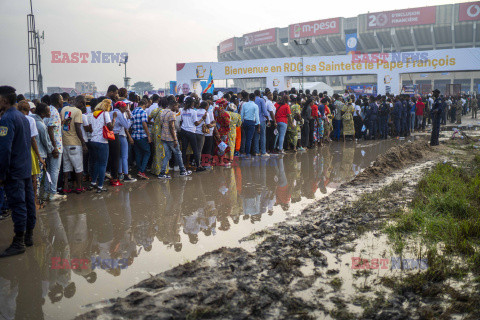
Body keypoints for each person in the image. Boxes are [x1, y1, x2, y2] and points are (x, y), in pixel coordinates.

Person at [0, 86, 36, 257]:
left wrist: (2, 173)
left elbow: (5, 149)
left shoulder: (7, 119)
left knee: (18, 205)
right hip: (25, 168)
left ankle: (19, 241)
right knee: (28, 203)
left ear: (4, 100)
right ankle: (28, 237)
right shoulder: (23, 117)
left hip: (14, 170)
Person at [157, 101, 192, 179]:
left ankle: (162, 173)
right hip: (171, 138)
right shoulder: (172, 113)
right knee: (178, 153)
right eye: (177, 106)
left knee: (167, 155)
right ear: (173, 106)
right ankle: (183, 171)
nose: (178, 108)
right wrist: (175, 139)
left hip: (164, 137)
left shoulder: (162, 112)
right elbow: (172, 127)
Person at [60, 95, 87, 194]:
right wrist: (83, 143)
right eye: (83, 103)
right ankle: (79, 187)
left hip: (65, 142)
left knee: (66, 167)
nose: (84, 105)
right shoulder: (78, 111)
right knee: (78, 167)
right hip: (75, 143)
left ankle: (66, 186)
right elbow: (78, 128)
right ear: (79, 102)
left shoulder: (64, 109)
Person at [88, 99, 115, 192]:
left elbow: (90, 128)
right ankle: (100, 186)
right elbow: (110, 127)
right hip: (102, 141)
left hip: (93, 140)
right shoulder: (105, 114)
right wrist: (114, 119)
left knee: (95, 162)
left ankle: (93, 182)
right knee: (102, 164)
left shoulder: (92, 114)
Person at [44, 93, 66, 201]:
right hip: (55, 145)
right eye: (62, 99)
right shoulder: (54, 112)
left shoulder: (49, 110)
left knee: (49, 170)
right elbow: (50, 129)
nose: (63, 101)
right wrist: (55, 147)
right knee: (54, 170)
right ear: (58, 100)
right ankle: (52, 193)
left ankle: (47, 192)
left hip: (49, 145)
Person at [31, 103, 54, 208]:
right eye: (48, 111)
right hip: (40, 154)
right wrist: (52, 150)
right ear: (43, 113)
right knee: (38, 179)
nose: (50, 112)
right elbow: (46, 141)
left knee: (33, 179)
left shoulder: (32, 120)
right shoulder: (41, 125)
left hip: (32, 153)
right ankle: (36, 202)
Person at [180, 97, 207, 172]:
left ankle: (183, 166)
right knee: (195, 149)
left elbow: (181, 121)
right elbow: (196, 123)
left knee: (184, 149)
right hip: (191, 131)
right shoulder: (193, 112)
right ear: (192, 103)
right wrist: (202, 118)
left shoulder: (183, 110)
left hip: (183, 130)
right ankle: (198, 166)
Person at [111, 101, 134, 184]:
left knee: (119, 156)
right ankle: (126, 175)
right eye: (125, 107)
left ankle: (120, 174)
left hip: (113, 136)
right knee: (124, 156)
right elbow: (127, 126)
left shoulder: (111, 112)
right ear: (120, 107)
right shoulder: (120, 114)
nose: (126, 108)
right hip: (120, 135)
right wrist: (130, 118)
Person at [131, 99, 151, 179]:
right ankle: (142, 171)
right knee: (147, 152)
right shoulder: (143, 112)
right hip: (142, 136)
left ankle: (139, 170)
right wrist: (148, 135)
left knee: (138, 153)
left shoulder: (133, 112)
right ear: (145, 105)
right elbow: (144, 123)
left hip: (134, 136)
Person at [240, 93, 260, 158]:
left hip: (245, 122)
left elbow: (242, 114)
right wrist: (258, 125)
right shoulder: (255, 106)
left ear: (249, 97)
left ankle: (245, 152)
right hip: (251, 123)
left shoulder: (244, 104)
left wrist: (241, 122)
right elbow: (257, 116)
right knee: (249, 139)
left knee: (245, 138)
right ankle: (248, 153)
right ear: (254, 98)